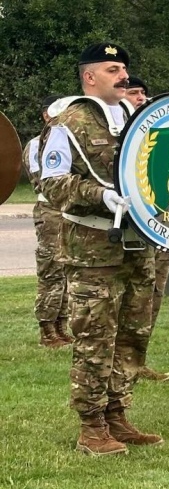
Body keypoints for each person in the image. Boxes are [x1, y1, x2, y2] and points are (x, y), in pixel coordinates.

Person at [38, 42, 161, 455]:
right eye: (112, 69)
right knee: (95, 335)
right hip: (93, 246)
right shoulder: (67, 122)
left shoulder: (136, 117)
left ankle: (117, 413)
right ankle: (91, 426)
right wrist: (98, 194)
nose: (123, 75)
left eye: (124, 67)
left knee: (133, 332)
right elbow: (50, 181)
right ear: (90, 77)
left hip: (137, 243)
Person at [128, 75, 169, 383]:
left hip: (162, 227)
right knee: (130, 300)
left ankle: (139, 359)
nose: (141, 97)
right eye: (134, 93)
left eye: (144, 92)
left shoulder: (157, 133)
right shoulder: (120, 134)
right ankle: (125, 364)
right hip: (130, 232)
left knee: (153, 296)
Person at [23, 95, 72, 349]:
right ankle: (47, 329)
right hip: (50, 210)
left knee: (66, 270)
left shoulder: (71, 140)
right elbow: (42, 180)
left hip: (68, 211)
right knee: (51, 270)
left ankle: (62, 325)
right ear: (46, 115)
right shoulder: (35, 145)